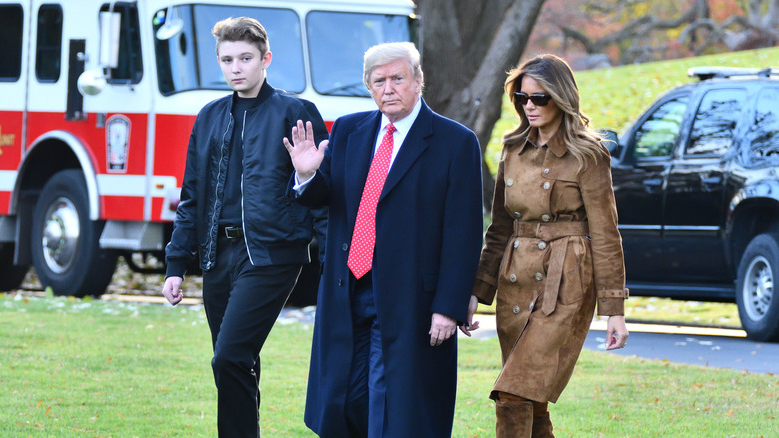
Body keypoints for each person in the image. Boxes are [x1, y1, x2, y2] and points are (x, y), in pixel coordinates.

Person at [283, 42, 483, 437]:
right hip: (345, 291)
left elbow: (464, 233)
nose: (388, 88)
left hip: (411, 297)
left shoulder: (455, 142)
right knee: (345, 399)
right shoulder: (348, 130)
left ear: (418, 81)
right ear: (369, 87)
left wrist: (449, 306)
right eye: (379, 81)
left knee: (391, 404)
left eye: (397, 78)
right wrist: (307, 175)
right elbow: (329, 199)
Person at [160, 16, 328, 437]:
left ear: (265, 59)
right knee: (237, 361)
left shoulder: (296, 112)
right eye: (227, 59)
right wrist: (176, 265)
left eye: (246, 58)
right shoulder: (210, 116)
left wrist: (329, 264)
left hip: (272, 256)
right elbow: (192, 196)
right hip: (218, 257)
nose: (236, 67)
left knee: (229, 357)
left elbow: (326, 195)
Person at [464, 54, 629, 437]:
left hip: (566, 283)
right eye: (523, 98)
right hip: (516, 281)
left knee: (513, 391)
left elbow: (606, 233)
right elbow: (500, 229)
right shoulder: (512, 148)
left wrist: (614, 309)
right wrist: (477, 290)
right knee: (530, 399)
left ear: (562, 98)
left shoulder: (588, 153)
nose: (530, 106)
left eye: (540, 98)